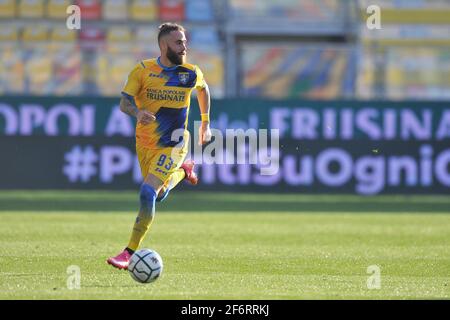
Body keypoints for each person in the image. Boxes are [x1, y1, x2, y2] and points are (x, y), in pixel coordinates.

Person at [107, 22, 212, 269]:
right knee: (159, 194)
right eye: (179, 42)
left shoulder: (190, 73)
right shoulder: (143, 71)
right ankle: (183, 171)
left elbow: (204, 89)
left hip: (175, 143)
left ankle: (129, 252)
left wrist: (205, 123)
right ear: (164, 45)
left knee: (147, 193)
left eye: (185, 41)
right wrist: (138, 112)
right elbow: (125, 102)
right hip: (146, 144)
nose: (184, 45)